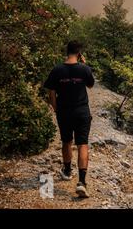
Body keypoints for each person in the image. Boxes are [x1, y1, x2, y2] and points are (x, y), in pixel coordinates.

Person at [44, 41, 95, 198]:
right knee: (82, 144)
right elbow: (91, 85)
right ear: (79, 54)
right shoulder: (84, 69)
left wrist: (56, 108)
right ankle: (81, 182)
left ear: (67, 52)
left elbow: (51, 93)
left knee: (66, 141)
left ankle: (67, 170)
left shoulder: (57, 70)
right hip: (82, 112)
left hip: (64, 112)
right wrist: (85, 66)